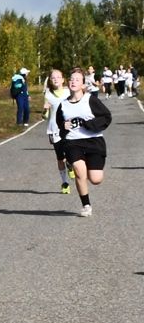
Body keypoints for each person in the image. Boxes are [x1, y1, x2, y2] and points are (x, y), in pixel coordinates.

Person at [56, 67, 112, 217]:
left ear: (82, 85)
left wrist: (89, 124)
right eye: (71, 79)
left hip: (94, 141)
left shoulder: (90, 100)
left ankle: (87, 165)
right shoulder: (63, 105)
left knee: (96, 179)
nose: (73, 81)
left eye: (77, 80)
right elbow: (60, 125)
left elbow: (106, 117)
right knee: (80, 172)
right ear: (68, 83)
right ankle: (86, 205)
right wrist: (63, 126)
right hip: (73, 142)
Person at [42, 69, 73, 194]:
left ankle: (70, 164)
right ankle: (65, 183)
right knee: (60, 158)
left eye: (58, 77)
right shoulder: (48, 94)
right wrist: (44, 110)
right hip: (54, 129)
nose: (56, 79)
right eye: (53, 77)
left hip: (69, 127)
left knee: (71, 152)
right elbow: (45, 117)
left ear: (63, 79)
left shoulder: (68, 92)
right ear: (50, 80)